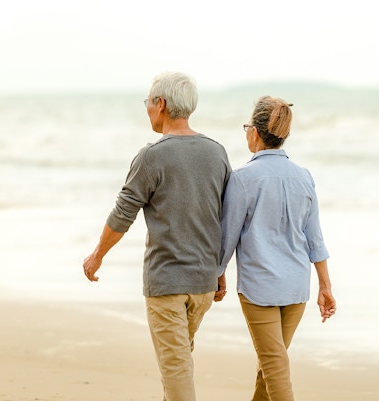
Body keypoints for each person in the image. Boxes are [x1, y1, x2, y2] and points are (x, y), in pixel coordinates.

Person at [83, 71, 231, 401]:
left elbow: (124, 213)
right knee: (177, 365)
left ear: (160, 104)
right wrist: (220, 269)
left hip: (167, 284)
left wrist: (97, 256)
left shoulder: (152, 156)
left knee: (177, 371)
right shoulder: (217, 152)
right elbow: (224, 216)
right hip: (203, 284)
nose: (147, 109)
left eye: (148, 102)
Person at [214, 96, 336, 401]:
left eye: (246, 127)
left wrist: (217, 273)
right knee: (270, 362)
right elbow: (314, 237)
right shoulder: (303, 177)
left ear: (254, 132)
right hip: (296, 287)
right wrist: (325, 285)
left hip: (260, 289)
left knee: (272, 363)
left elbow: (227, 237)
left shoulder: (242, 178)